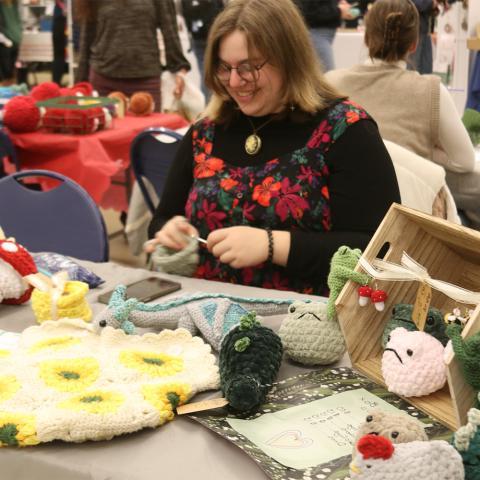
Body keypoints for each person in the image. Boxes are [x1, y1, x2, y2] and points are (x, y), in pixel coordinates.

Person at [146, 0, 400, 295]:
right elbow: (161, 220)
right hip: (202, 316)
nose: (234, 81)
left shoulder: (346, 130)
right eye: (224, 68)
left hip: (305, 326)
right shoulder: (206, 131)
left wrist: (272, 245)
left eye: (249, 67)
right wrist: (171, 232)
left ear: (289, 59)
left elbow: (381, 251)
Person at [325, 0, 479, 226]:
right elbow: (463, 161)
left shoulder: (331, 84)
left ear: (366, 37)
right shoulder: (431, 91)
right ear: (414, 44)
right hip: (410, 215)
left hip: (344, 210)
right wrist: (429, 151)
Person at [75, 0, 190, 112]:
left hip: (146, 83)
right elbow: (86, 37)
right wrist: (80, 84)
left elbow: (169, 28)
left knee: (148, 131)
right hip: (103, 82)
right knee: (108, 130)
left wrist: (179, 68)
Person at [297, 0, 354, 72]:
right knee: (328, 74)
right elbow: (309, 11)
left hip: (320, 34)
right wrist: (339, 10)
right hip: (316, 33)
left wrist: (338, 5)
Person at [181, 0, 224, 94]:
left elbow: (186, 14)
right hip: (208, 36)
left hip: (203, 36)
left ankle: (210, 103)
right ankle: (210, 104)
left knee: (208, 73)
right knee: (211, 73)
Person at [0, 0, 21, 85]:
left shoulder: (14, 5)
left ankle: (11, 87)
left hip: (15, 40)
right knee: (6, 69)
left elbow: (17, 21)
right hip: (4, 40)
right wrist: (4, 40)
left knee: (13, 69)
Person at [52, 0, 67, 85]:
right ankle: (56, 82)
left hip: (62, 18)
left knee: (59, 55)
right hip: (60, 20)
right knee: (59, 55)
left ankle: (56, 82)